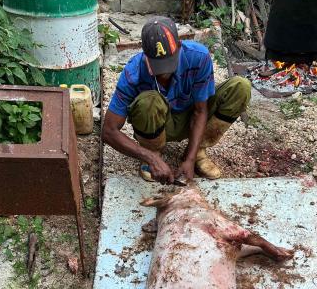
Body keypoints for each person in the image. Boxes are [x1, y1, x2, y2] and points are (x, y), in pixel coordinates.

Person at [102, 16, 251, 183]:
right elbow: (108, 131)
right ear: (144, 54)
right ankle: (154, 153)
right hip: (158, 124)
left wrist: (190, 158)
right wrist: (150, 157)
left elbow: (200, 111)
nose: (164, 72)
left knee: (241, 87)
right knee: (149, 101)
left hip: (189, 119)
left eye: (169, 63)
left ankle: (198, 150)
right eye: (158, 66)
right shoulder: (133, 71)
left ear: (180, 46)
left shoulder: (199, 57)